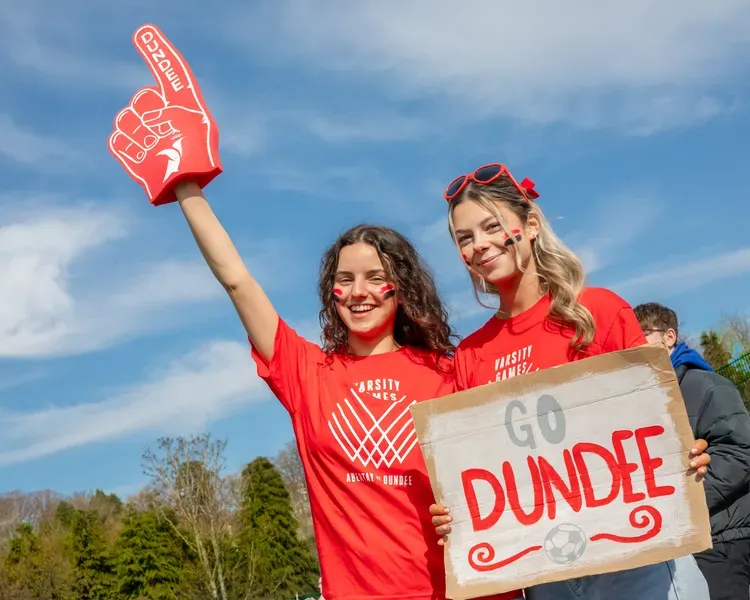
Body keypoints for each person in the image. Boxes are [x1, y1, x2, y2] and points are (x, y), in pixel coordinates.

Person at [428, 163, 712, 600]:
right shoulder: (470, 356)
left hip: (640, 564)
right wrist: (457, 515)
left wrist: (683, 452)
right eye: (465, 238)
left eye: (491, 226)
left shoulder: (599, 311)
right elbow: (480, 467)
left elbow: (657, 424)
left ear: (532, 225)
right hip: (548, 574)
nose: (479, 244)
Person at [634, 302, 750, 600]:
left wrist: (684, 502)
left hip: (723, 536)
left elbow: (740, 452)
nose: (633, 344)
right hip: (679, 539)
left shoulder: (707, 385)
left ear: (669, 336)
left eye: (642, 333)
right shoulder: (641, 396)